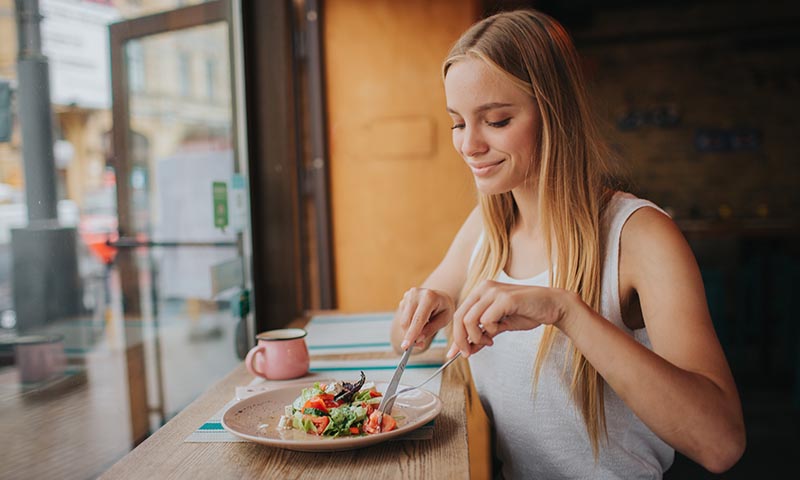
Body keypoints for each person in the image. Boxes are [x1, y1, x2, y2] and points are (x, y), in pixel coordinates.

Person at [389, 8, 745, 479]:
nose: (468, 145)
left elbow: (720, 444)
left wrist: (567, 312)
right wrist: (424, 309)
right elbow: (402, 342)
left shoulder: (639, 235)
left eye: (495, 121)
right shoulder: (486, 228)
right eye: (458, 122)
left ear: (555, 113)